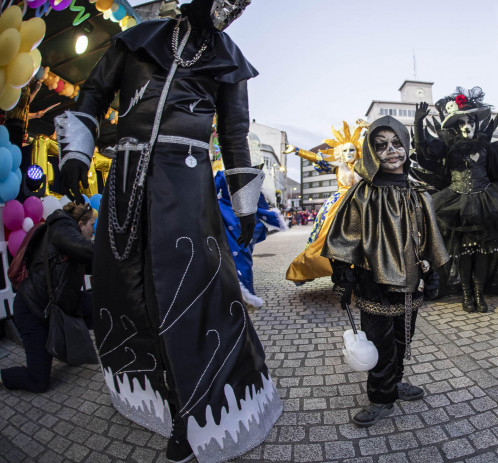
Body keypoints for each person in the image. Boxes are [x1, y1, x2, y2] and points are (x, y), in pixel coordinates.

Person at [53, 0, 282, 461]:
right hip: (125, 184)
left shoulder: (228, 59)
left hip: (187, 189)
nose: (225, 9)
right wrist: (75, 150)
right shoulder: (142, 37)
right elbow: (94, 94)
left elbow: (235, 136)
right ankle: (157, 392)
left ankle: (189, 411)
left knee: (186, 296)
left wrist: (246, 205)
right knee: (131, 293)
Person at [322, 115, 449, 428]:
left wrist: (432, 275)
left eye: (397, 144)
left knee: (404, 338)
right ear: (371, 153)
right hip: (374, 282)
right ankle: (381, 397)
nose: (392, 151)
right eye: (382, 146)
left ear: (406, 146)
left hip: (411, 282)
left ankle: (395, 382)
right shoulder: (362, 194)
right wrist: (343, 278)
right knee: (380, 342)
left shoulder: (420, 193)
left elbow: (429, 240)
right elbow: (344, 239)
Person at [413, 87, 498, 313]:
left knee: (483, 252)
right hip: (458, 205)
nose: (467, 126)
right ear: (456, 126)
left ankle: (479, 293)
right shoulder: (448, 146)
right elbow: (426, 151)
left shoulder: (485, 147)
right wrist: (418, 125)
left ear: (476, 124)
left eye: (471, 122)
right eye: (462, 122)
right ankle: (467, 294)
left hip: (485, 202)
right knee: (465, 251)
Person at [0, 203, 95, 393]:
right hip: (32, 310)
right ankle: (2, 377)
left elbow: (90, 265)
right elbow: (86, 250)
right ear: (81, 224)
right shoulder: (61, 227)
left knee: (101, 308)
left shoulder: (68, 237)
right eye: (92, 225)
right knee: (38, 381)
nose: (93, 230)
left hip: (56, 305)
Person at [285, 122, 364, 284]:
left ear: (358, 151)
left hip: (361, 202)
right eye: (345, 150)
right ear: (340, 153)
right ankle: (306, 268)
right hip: (338, 204)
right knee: (325, 236)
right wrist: (297, 150)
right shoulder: (338, 166)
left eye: (352, 149)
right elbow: (316, 157)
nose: (349, 153)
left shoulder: (363, 166)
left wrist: (369, 127)